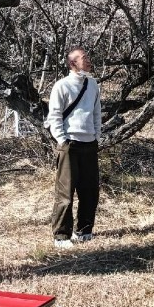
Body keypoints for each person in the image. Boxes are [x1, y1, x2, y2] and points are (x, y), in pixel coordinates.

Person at [47, 46, 102, 248]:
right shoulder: (61, 85)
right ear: (73, 63)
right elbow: (54, 116)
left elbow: (96, 112)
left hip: (90, 143)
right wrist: (62, 140)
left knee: (90, 190)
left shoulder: (93, 84)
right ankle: (61, 236)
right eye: (83, 58)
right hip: (70, 143)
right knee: (65, 193)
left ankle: (85, 230)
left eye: (87, 56)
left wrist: (97, 135)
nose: (88, 60)